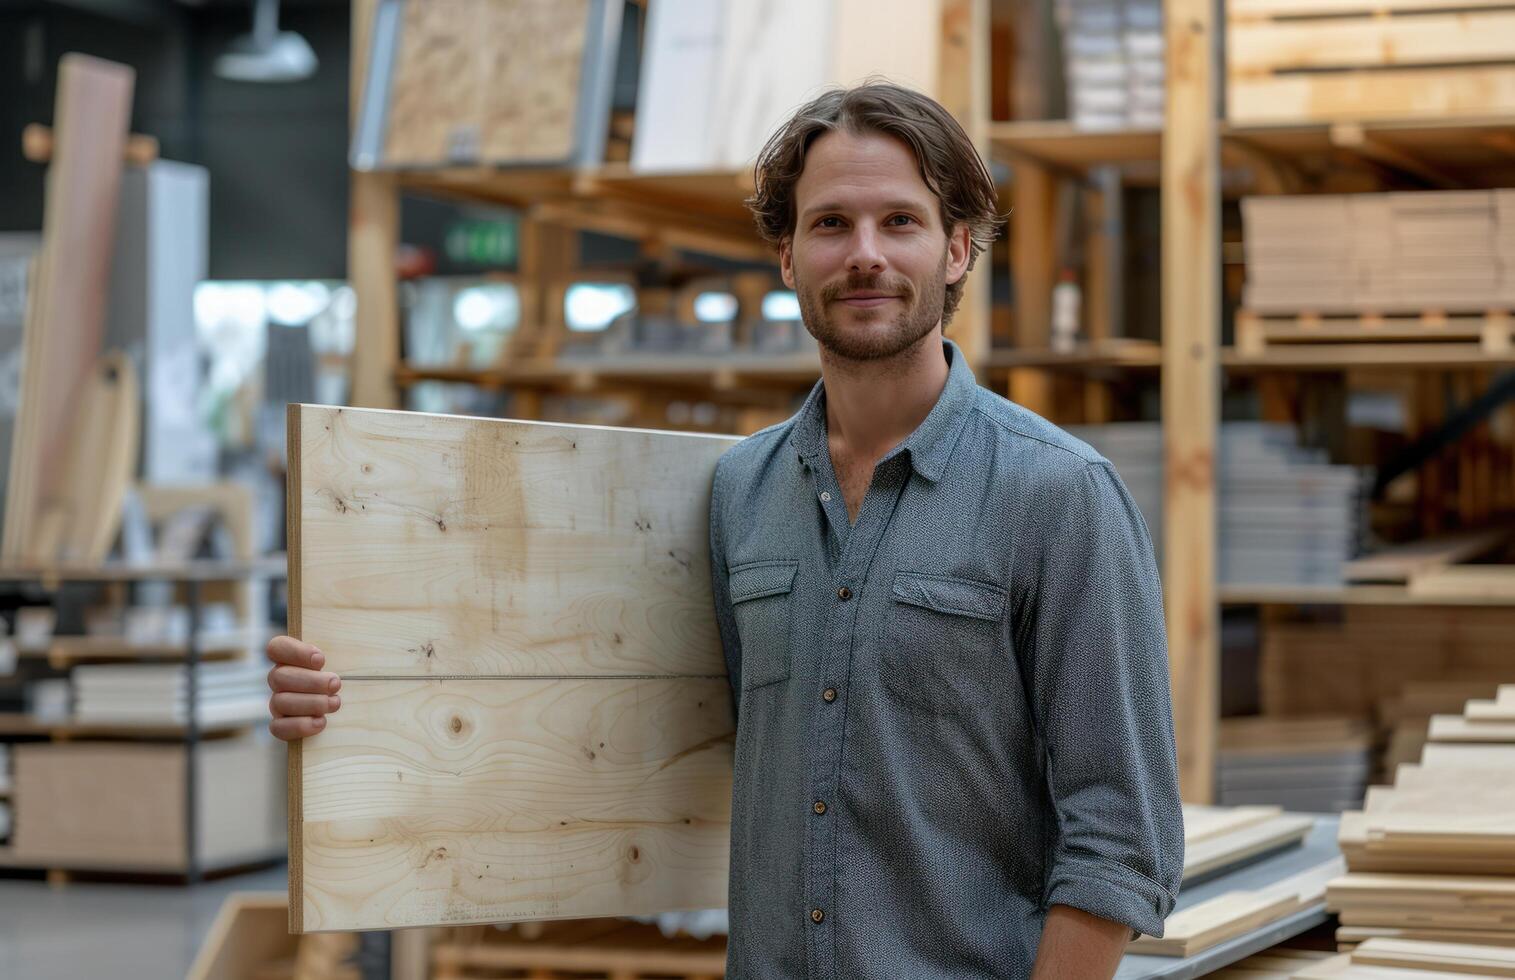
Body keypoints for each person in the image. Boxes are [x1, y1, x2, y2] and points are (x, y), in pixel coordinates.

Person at [268, 82, 1183, 978]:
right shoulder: (740, 490)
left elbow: (1123, 833)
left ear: (955, 250)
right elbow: (608, 716)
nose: (864, 253)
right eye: (829, 225)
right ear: (786, 258)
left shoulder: (1060, 495)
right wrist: (352, 697)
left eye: (898, 222)